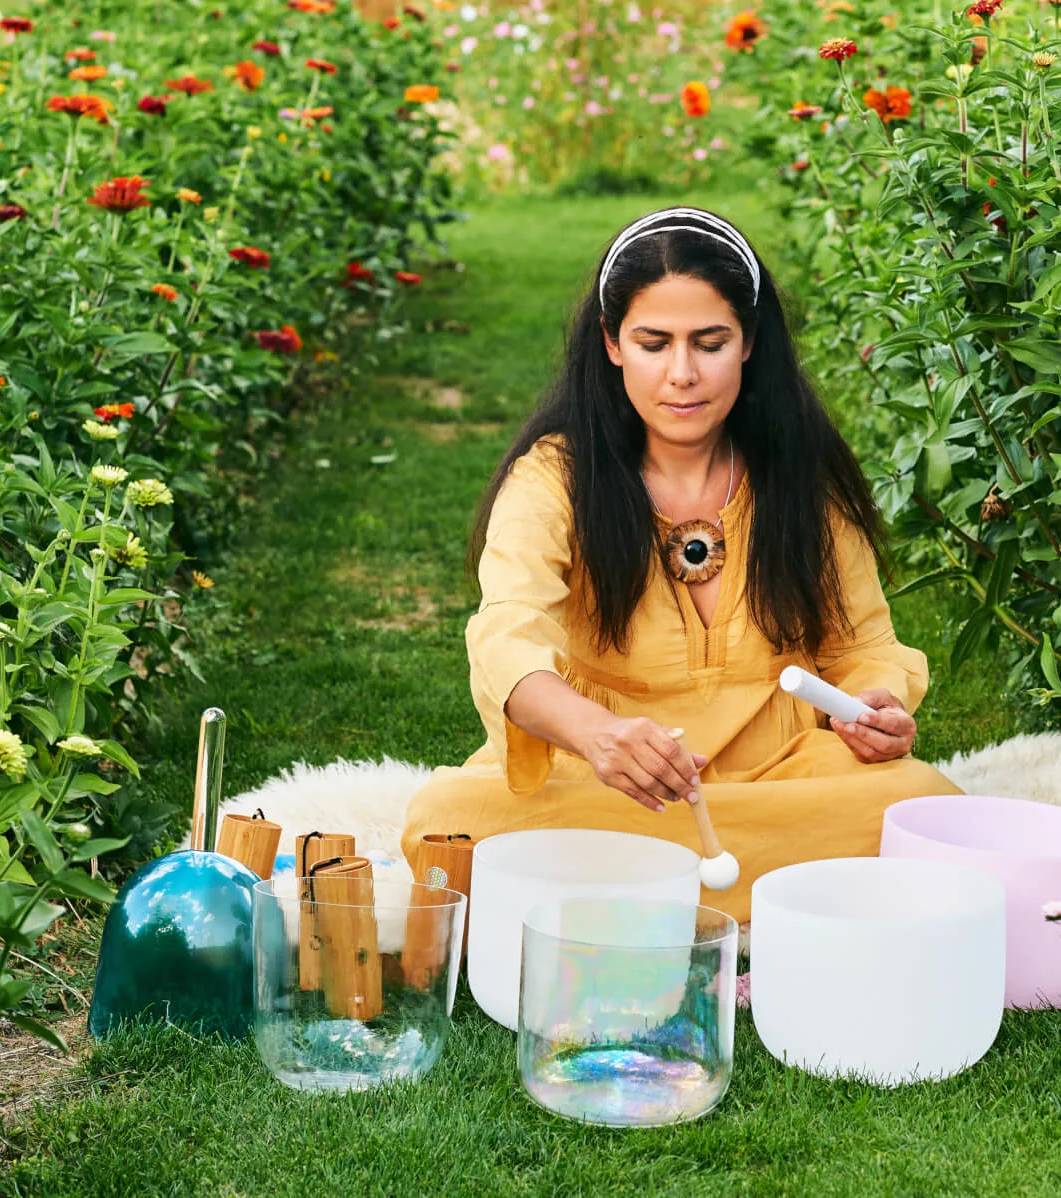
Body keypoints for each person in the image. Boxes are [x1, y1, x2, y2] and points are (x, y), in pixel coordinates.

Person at [400, 206, 962, 922]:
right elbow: (506, 637)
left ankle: (626, 894)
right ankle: (776, 893)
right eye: (654, 343)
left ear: (750, 343)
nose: (682, 374)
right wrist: (597, 736)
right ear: (612, 344)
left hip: (778, 776)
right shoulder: (553, 479)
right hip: (601, 779)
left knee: (923, 805)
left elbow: (863, 646)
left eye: (710, 342)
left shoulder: (800, 473)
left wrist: (876, 702)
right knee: (445, 821)